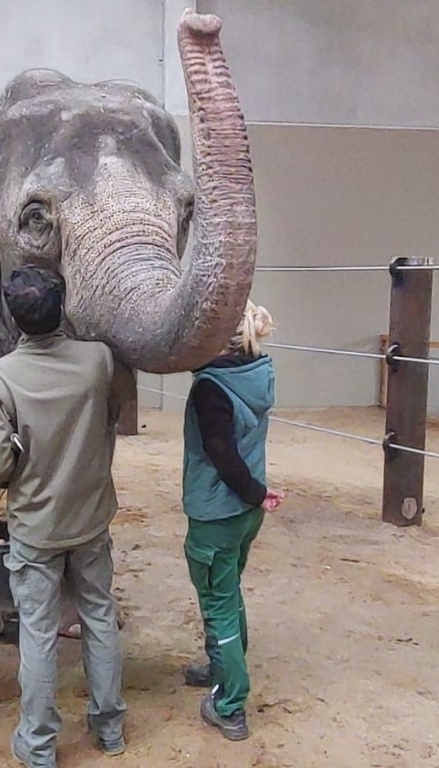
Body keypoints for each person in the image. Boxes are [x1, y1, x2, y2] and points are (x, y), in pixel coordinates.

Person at [0, 266, 127, 768]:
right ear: (62, 305)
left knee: (38, 634)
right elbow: (113, 413)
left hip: (35, 527)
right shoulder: (98, 360)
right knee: (100, 616)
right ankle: (109, 729)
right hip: (90, 517)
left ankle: (39, 745)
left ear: (12, 315)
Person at [180, 299, 284, 742]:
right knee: (228, 591)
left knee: (218, 603)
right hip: (244, 513)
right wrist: (257, 496)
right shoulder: (258, 371)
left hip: (218, 513)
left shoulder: (211, 388)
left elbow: (221, 453)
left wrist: (256, 493)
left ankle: (230, 704)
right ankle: (220, 666)